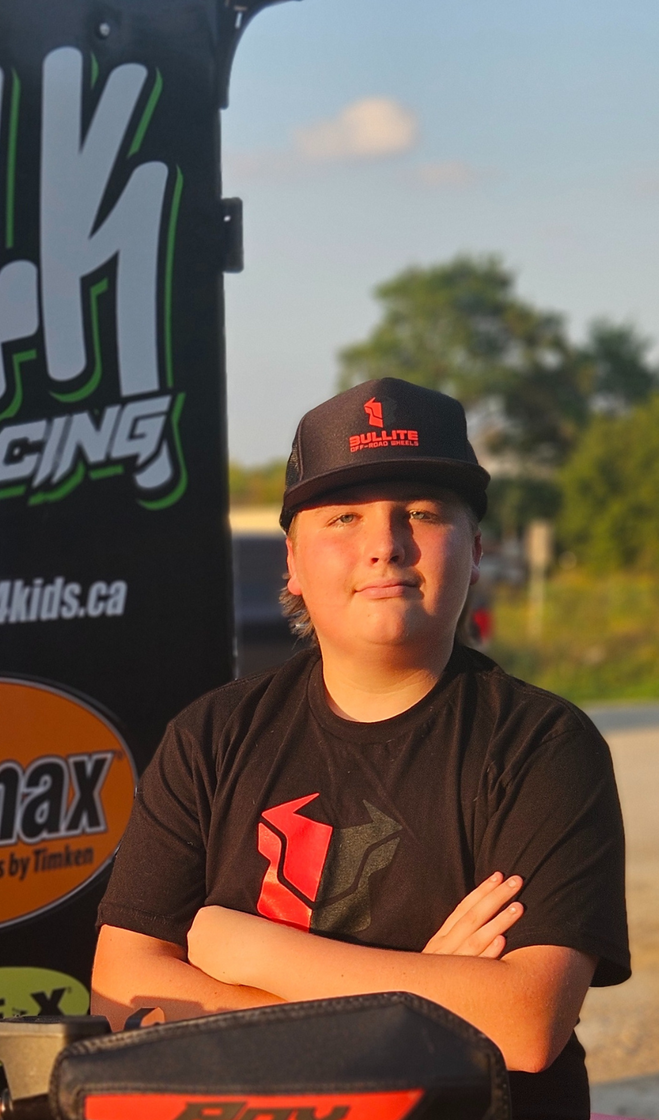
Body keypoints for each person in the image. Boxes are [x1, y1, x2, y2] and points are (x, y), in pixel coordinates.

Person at [91, 378, 628, 1119]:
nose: (384, 546)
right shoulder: (209, 739)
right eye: (344, 516)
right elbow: (124, 994)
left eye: (421, 512)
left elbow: (526, 1024)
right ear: (292, 563)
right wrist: (421, 994)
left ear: (474, 551)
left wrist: (248, 952)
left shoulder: (543, 748)